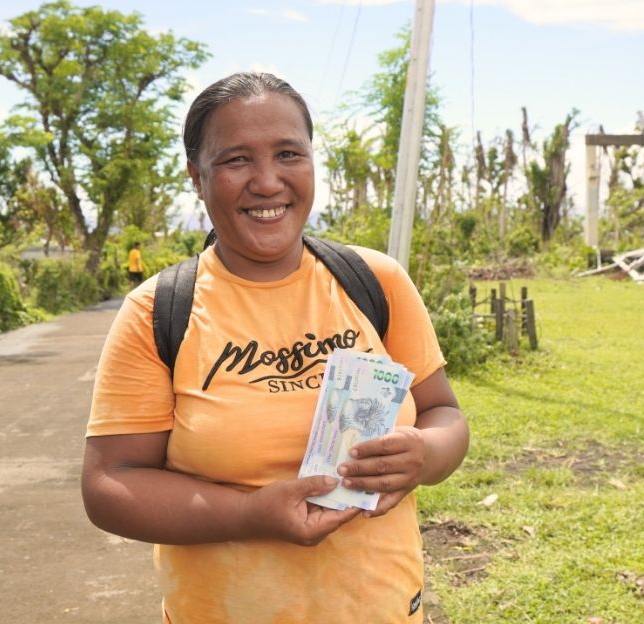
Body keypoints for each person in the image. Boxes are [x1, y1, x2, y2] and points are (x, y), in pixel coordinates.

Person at [81, 72, 470, 623]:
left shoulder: (376, 282)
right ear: (197, 176)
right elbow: (108, 485)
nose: (267, 182)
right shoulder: (158, 311)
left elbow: (443, 412)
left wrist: (425, 454)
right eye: (237, 160)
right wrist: (249, 515)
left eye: (289, 153)